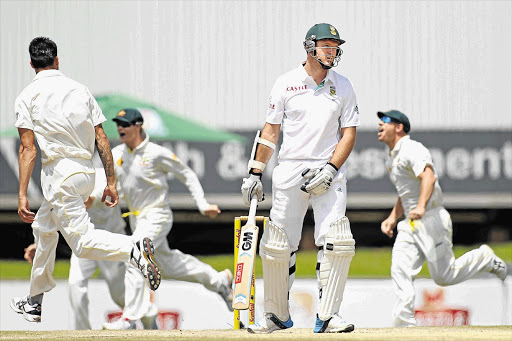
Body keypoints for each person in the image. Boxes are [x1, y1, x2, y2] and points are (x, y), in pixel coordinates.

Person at [10, 37, 161, 324]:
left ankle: (134, 248)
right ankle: (34, 300)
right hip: (85, 173)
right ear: (57, 60)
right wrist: (110, 182)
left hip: (59, 177)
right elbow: (102, 138)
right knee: (44, 229)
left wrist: (21, 196)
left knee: (81, 243)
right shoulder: (81, 90)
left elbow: (27, 149)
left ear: (31, 64)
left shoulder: (26, 96)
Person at [241, 23, 360, 334]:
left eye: (335, 46)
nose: (332, 51)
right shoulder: (286, 83)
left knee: (338, 241)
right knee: (278, 245)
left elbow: (349, 134)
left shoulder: (343, 85)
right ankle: (276, 315)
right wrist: (255, 172)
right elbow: (270, 131)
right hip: (290, 168)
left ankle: (329, 316)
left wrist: (331, 169)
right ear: (310, 47)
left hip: (328, 169)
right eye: (326, 45)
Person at [102, 108, 233, 329]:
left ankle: (129, 318)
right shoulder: (117, 154)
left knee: (135, 254)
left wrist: (202, 205)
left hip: (157, 215)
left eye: (125, 124)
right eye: (118, 124)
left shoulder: (156, 153)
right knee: (170, 266)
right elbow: (103, 180)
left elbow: (187, 174)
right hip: (137, 219)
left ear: (138, 125)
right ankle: (219, 281)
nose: (120, 128)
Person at [376, 109, 508, 327]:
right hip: (410, 222)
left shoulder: (412, 148)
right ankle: (404, 322)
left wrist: (420, 206)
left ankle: (484, 257)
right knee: (400, 267)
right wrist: (392, 217)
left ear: (399, 127)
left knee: (444, 276)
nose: (380, 125)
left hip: (431, 218)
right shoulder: (393, 157)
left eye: (386, 121)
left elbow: (428, 176)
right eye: (380, 121)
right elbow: (405, 193)